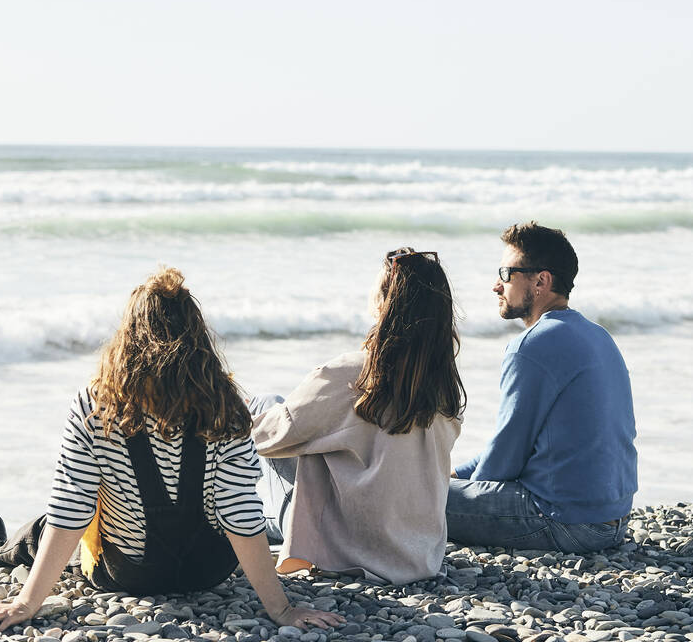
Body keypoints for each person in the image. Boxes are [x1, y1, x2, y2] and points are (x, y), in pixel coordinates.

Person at [0, 268, 343, 633]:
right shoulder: (225, 404)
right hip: (209, 570)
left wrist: (27, 603)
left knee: (48, 525)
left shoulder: (96, 403)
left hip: (129, 572)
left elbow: (70, 511)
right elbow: (239, 512)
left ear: (128, 335)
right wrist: (281, 609)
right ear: (198, 336)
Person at [250, 247, 464, 584]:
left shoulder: (353, 375)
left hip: (351, 549)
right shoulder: (446, 386)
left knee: (264, 406)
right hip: (420, 556)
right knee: (323, 435)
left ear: (384, 304)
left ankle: (226, 521)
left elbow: (266, 439)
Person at [447, 222, 637, 552]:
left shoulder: (531, 347)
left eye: (506, 274)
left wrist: (446, 488)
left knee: (411, 497)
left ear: (540, 281)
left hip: (565, 521)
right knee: (438, 485)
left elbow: (505, 460)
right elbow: (514, 446)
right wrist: (455, 474)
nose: (496, 286)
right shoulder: (598, 336)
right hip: (613, 518)